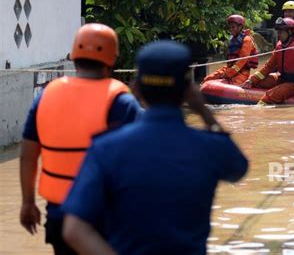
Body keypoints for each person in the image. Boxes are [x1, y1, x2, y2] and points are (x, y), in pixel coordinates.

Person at [61, 40, 248, 255]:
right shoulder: (211, 147)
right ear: (189, 91)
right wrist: (205, 114)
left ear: (136, 88)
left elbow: (74, 230)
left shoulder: (106, 148)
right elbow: (239, 169)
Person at [19, 23, 143, 255]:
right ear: (112, 59)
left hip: (59, 218)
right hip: (105, 220)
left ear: (74, 56)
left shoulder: (46, 95)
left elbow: (27, 155)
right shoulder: (121, 101)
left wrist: (27, 202)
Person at [241, 17, 294, 105]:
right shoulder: (280, 46)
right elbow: (268, 66)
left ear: (290, 32)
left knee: (268, 97)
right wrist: (252, 80)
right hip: (282, 79)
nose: (278, 34)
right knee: (257, 82)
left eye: (281, 32)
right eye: (278, 31)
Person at [202, 14, 258, 85]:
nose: (231, 29)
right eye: (230, 27)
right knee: (208, 78)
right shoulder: (233, 39)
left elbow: (242, 60)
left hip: (242, 71)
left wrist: (229, 73)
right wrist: (227, 72)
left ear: (240, 27)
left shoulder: (247, 39)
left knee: (233, 85)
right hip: (229, 68)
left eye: (233, 27)